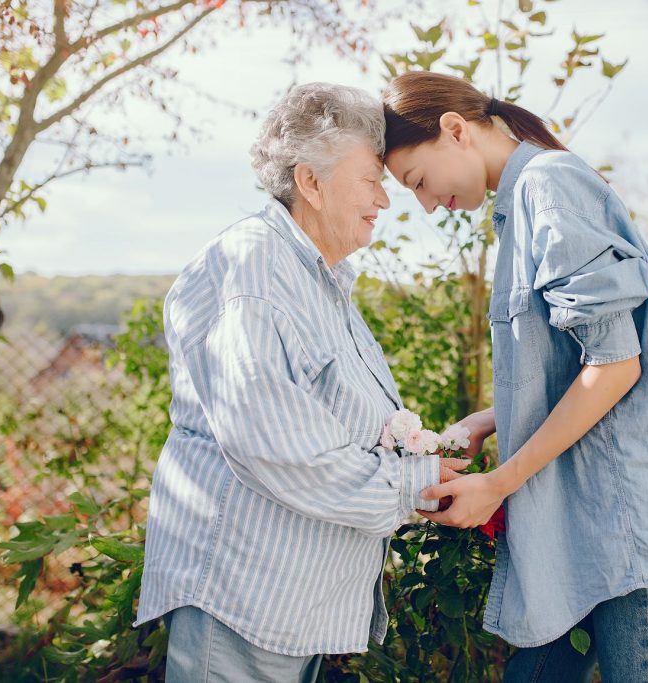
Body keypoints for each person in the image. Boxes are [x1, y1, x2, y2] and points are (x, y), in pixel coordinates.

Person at [382, 71, 648, 682]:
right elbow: (572, 364)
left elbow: (615, 367)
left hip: (627, 527)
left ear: (454, 130)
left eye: (420, 182)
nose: (427, 204)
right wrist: (488, 421)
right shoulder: (517, 207)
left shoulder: (551, 186)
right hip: (570, 525)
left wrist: (499, 483)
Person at [134, 82, 469, 682]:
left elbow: (331, 420)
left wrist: (431, 456)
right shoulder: (256, 267)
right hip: (244, 600)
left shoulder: (316, 278)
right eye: (371, 180)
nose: (384, 203)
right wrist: (408, 485)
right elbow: (272, 439)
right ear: (310, 182)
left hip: (285, 603)